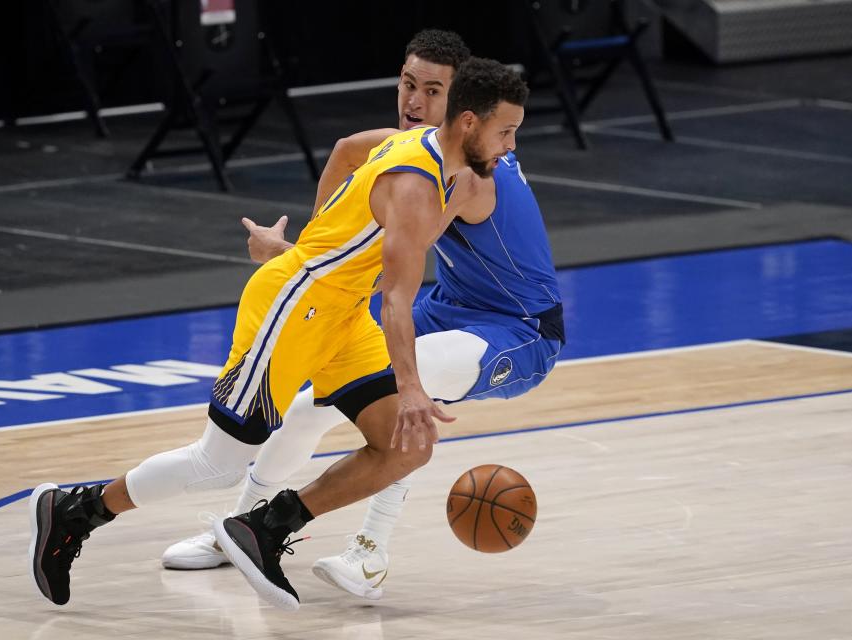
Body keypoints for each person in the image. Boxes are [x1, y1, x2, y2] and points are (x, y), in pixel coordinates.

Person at [28, 55, 528, 611]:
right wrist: (410, 385)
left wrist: (299, 251)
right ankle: (74, 511)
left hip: (336, 314)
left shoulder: (429, 154)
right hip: (296, 308)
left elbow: (345, 178)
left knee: (407, 444)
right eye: (504, 131)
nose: (509, 146)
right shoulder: (417, 185)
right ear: (468, 124)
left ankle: (264, 528)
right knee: (217, 462)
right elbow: (395, 299)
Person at [162, 30, 565, 602]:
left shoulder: (471, 175)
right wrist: (309, 240)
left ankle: (369, 553)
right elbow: (348, 148)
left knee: (408, 391)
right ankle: (238, 530)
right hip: (450, 308)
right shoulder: (418, 149)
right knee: (307, 407)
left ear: (467, 112)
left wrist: (295, 262)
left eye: (433, 91)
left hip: (519, 331)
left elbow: (384, 276)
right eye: (408, 84)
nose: (415, 102)